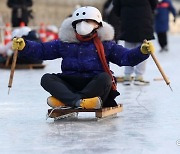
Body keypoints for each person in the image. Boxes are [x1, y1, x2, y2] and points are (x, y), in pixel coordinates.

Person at [12, 6, 154, 109]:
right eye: (79, 22)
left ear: (97, 25)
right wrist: (25, 46)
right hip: (71, 81)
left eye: (88, 21)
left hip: (93, 83)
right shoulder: (65, 43)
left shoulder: (105, 45)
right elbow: (42, 50)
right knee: (47, 78)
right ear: (73, 25)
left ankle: (67, 101)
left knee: (105, 78)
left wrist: (141, 51)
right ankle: (78, 102)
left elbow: (126, 57)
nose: (83, 25)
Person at [113, 0, 158, 86]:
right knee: (143, 48)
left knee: (128, 47)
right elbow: (154, 3)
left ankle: (127, 76)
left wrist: (123, 14)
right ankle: (139, 76)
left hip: (127, 19)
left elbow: (116, 6)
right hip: (144, 18)